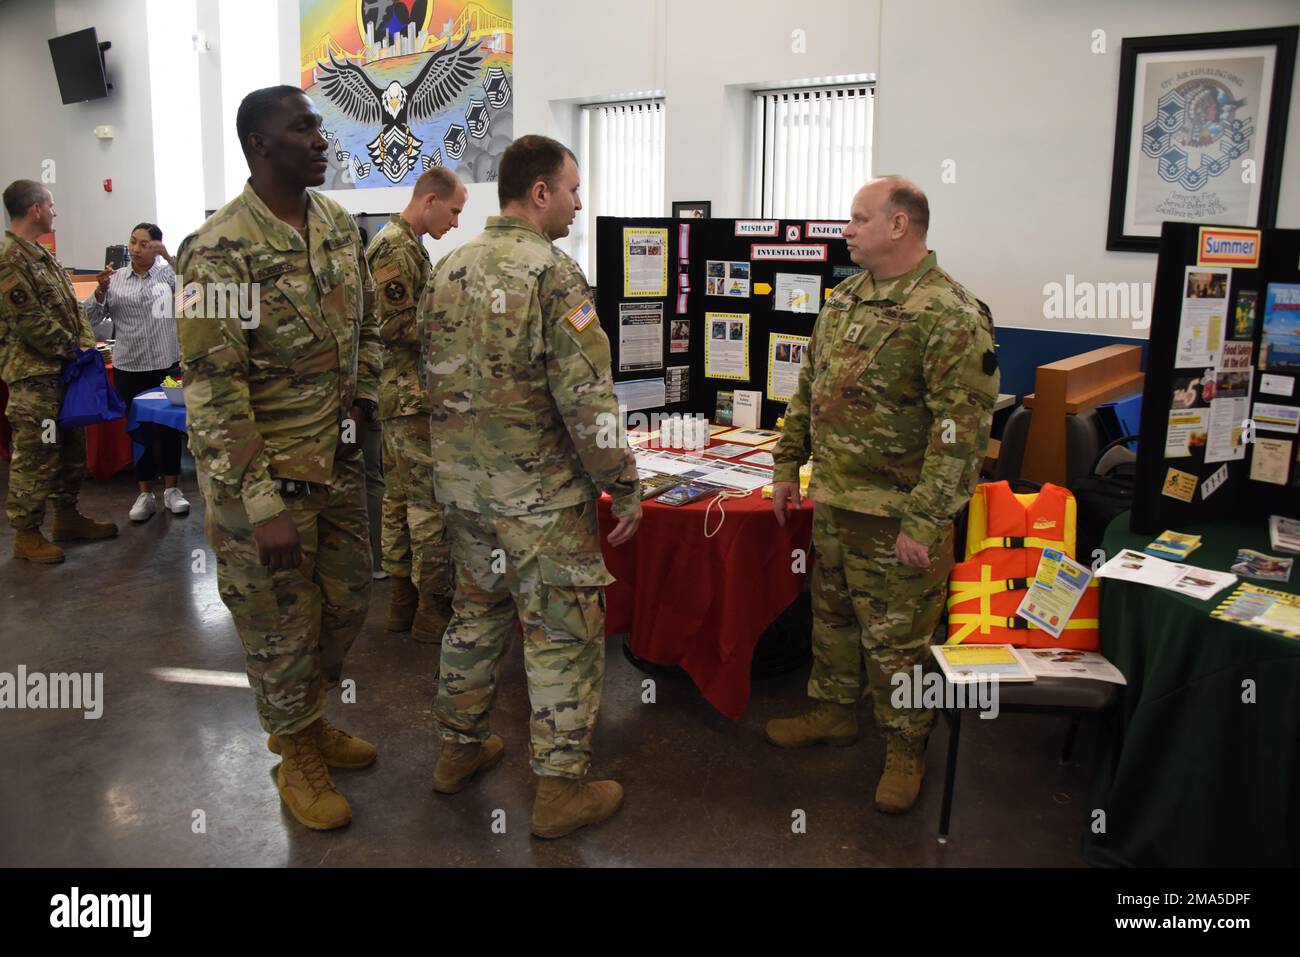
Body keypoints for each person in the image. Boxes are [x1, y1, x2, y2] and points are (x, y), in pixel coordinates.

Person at [421, 134, 640, 838]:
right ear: (540, 193)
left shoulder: (447, 268)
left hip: (463, 494)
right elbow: (588, 403)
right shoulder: (554, 276)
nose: (580, 204)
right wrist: (626, 485)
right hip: (540, 503)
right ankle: (559, 791)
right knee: (562, 634)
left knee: (476, 616)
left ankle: (457, 751)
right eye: (573, 190)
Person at [175, 86, 382, 831]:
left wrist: (363, 406)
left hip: (338, 463)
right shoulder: (219, 249)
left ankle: (309, 717)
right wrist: (259, 503)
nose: (322, 139)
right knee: (279, 626)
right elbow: (214, 388)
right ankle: (297, 751)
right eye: (304, 129)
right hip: (263, 484)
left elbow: (363, 332)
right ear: (261, 145)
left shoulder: (333, 224)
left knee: (348, 600)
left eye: (321, 127)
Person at [766, 175, 999, 814]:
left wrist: (925, 524)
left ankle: (905, 747)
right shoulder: (844, 300)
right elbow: (807, 390)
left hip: (899, 516)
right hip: (837, 501)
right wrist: (788, 465)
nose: (847, 229)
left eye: (859, 218)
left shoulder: (950, 314)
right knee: (834, 619)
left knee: (899, 643)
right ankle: (834, 711)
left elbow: (961, 437)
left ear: (900, 225)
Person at [365, 167, 466, 642]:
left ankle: (403, 606)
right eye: (454, 211)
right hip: (410, 399)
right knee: (426, 508)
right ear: (430, 200)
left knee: (400, 501)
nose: (456, 222)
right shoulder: (395, 247)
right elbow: (393, 326)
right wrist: (454, 326)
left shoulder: (407, 245)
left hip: (403, 397)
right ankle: (430, 609)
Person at [1, 180, 118, 563]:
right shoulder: (9, 259)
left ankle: (66, 518)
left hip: (65, 374)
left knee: (70, 449)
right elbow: (29, 322)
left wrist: (85, 346)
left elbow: (72, 307)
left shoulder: (42, 255)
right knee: (37, 454)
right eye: (51, 204)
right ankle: (26, 533)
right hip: (36, 379)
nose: (55, 211)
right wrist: (74, 350)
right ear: (35, 209)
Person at [83, 222, 190, 521]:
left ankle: (172, 489)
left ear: (156, 247)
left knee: (169, 429)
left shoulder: (169, 276)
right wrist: (100, 291)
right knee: (139, 430)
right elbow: (90, 319)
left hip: (165, 365)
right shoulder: (115, 279)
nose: (136, 249)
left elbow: (194, 299)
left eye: (145, 244)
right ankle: (145, 494)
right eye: (133, 242)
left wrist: (170, 257)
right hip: (129, 366)